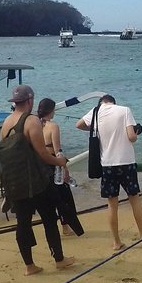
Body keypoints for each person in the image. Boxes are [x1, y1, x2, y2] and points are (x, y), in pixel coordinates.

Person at [0, 85, 74, 276]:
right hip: (35, 182)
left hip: (15, 181)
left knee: (23, 222)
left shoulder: (6, 122)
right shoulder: (31, 121)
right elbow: (42, 154)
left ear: (14, 102)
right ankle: (59, 259)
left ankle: (29, 266)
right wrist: (60, 161)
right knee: (49, 218)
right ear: (30, 100)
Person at [76, 94, 142, 250]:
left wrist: (94, 127)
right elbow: (131, 137)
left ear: (101, 103)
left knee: (112, 204)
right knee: (134, 199)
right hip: (126, 162)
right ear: (114, 102)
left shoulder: (95, 112)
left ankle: (116, 242)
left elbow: (79, 125)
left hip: (107, 164)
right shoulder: (124, 110)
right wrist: (136, 134)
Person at [37, 98, 84, 237]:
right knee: (63, 197)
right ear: (51, 110)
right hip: (53, 164)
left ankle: (53, 229)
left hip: (39, 165)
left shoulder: (34, 125)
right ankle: (65, 227)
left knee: (48, 200)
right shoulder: (53, 126)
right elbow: (58, 151)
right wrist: (65, 169)